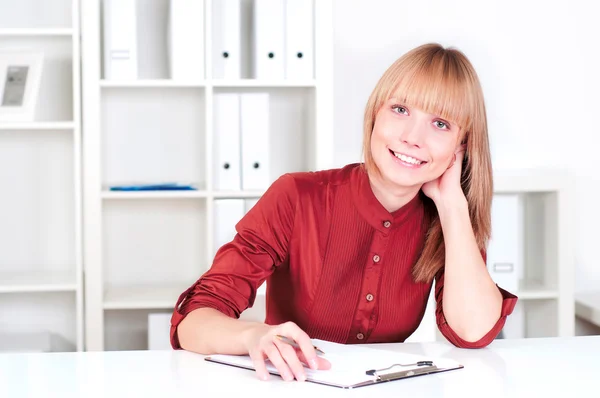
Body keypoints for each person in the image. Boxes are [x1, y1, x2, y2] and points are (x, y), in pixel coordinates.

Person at [169, 43, 518, 382]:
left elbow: (472, 333)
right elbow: (193, 321)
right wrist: (251, 336)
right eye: (400, 110)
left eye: (441, 124)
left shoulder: (448, 218)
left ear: (462, 146)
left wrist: (454, 207)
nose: (413, 137)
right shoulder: (297, 196)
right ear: (375, 114)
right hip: (292, 387)